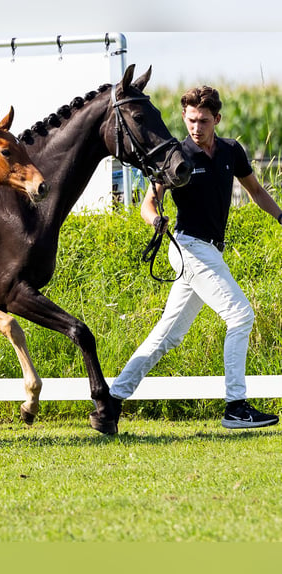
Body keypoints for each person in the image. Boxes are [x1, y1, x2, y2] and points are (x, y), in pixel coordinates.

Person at [110, 85, 282, 429]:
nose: (195, 127)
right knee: (240, 316)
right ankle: (236, 407)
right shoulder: (178, 156)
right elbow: (149, 204)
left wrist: (281, 217)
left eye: (203, 120)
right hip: (187, 248)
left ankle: (111, 398)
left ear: (216, 119)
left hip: (211, 251)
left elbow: (258, 191)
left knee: (167, 334)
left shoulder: (232, 151)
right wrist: (155, 219)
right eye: (190, 120)